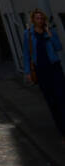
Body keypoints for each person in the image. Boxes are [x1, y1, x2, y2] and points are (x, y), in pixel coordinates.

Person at [23, 10, 65, 139]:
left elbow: (58, 47)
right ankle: (62, 131)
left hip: (54, 67)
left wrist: (50, 34)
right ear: (33, 20)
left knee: (62, 99)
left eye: (41, 18)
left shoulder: (50, 31)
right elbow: (26, 53)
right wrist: (27, 72)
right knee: (51, 101)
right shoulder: (28, 34)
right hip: (41, 70)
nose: (40, 20)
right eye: (37, 18)